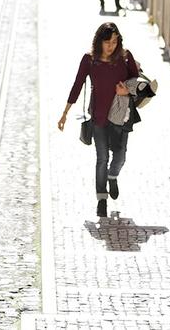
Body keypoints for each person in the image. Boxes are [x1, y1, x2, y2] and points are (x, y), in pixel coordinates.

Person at [58, 22, 139, 218]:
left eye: (114, 41)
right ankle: (101, 199)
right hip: (99, 116)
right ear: (99, 41)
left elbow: (137, 81)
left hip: (121, 117)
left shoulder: (125, 57)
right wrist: (65, 113)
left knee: (120, 157)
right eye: (107, 42)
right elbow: (77, 84)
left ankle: (113, 176)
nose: (111, 46)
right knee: (102, 158)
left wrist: (127, 90)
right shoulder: (89, 59)